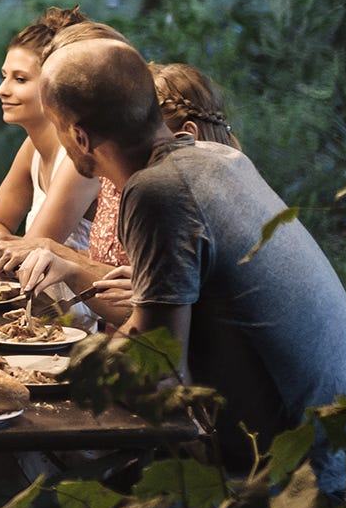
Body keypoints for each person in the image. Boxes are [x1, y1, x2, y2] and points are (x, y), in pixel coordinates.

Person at [32, 23, 346, 508]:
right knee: (46, 500)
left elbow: (160, 383)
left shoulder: (155, 193)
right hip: (337, 465)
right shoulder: (214, 158)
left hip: (305, 502)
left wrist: (68, 366)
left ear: (79, 137)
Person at [17, 61, 246, 325]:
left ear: (186, 135)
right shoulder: (224, 166)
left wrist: (63, 260)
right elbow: (145, 311)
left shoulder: (168, 195)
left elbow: (163, 340)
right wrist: (71, 269)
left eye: (136, 136)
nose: (122, 151)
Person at [0, 7, 104, 275]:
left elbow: (25, 255)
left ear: (56, 84)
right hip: (42, 306)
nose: (2, 89)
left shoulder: (77, 157)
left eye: (20, 79)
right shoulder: (32, 146)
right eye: (4, 76)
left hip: (79, 314)